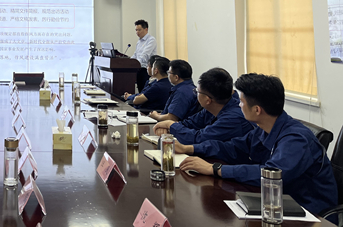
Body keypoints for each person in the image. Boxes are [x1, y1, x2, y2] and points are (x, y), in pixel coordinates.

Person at [178, 73, 337, 216]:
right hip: (275, 204)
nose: (238, 105)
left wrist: (215, 169)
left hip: (309, 213)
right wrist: (190, 148)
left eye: (241, 102)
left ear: (257, 110)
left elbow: (271, 174)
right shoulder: (264, 129)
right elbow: (233, 147)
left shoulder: (296, 139)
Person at [153, 68, 254, 143]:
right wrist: (171, 127)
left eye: (196, 91)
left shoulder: (233, 118)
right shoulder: (212, 108)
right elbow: (189, 123)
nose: (195, 94)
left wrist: (170, 125)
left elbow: (199, 138)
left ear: (207, 100)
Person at [129, 20, 158, 92]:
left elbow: (145, 55)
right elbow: (136, 54)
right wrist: (129, 62)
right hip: (138, 69)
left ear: (146, 29)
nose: (137, 32)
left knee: (144, 91)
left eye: (139, 30)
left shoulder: (151, 40)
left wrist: (135, 64)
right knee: (140, 90)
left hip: (146, 70)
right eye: (136, 30)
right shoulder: (139, 42)